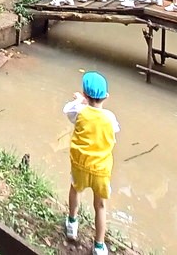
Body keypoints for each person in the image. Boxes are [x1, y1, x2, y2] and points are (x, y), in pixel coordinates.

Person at [63, 71, 120, 255]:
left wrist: (79, 101)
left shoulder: (79, 111)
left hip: (80, 164)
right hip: (101, 170)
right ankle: (99, 245)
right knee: (100, 205)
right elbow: (115, 131)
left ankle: (72, 223)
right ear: (107, 97)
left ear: (85, 94)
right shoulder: (110, 118)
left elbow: (67, 110)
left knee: (75, 189)